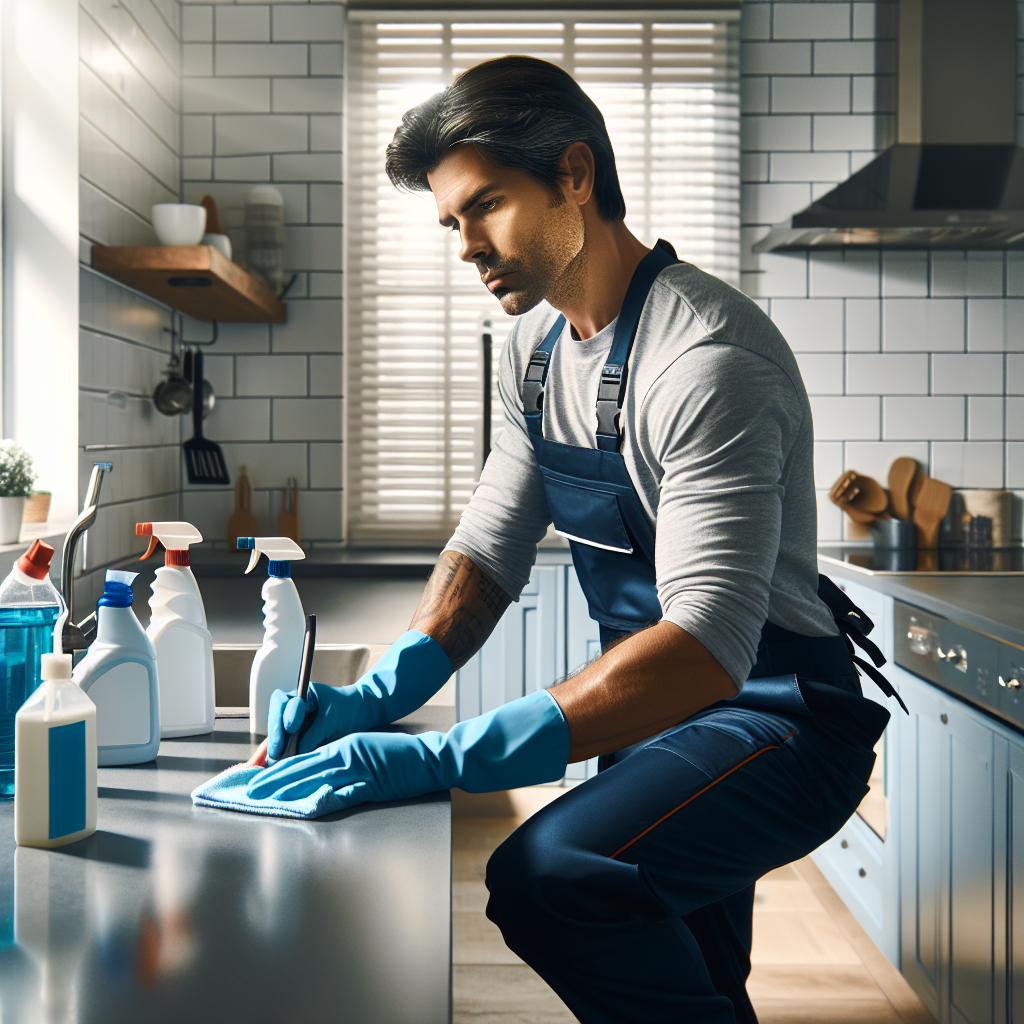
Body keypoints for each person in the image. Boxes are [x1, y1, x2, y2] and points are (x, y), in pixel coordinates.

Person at [247, 56, 899, 1023]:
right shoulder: (532, 348)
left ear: (576, 174)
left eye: (487, 206)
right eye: (452, 223)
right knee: (695, 975)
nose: (467, 245)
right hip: (656, 714)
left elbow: (711, 644)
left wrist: (440, 756)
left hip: (778, 720)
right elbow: (489, 545)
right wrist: (382, 693)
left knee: (550, 876)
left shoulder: (707, 360)